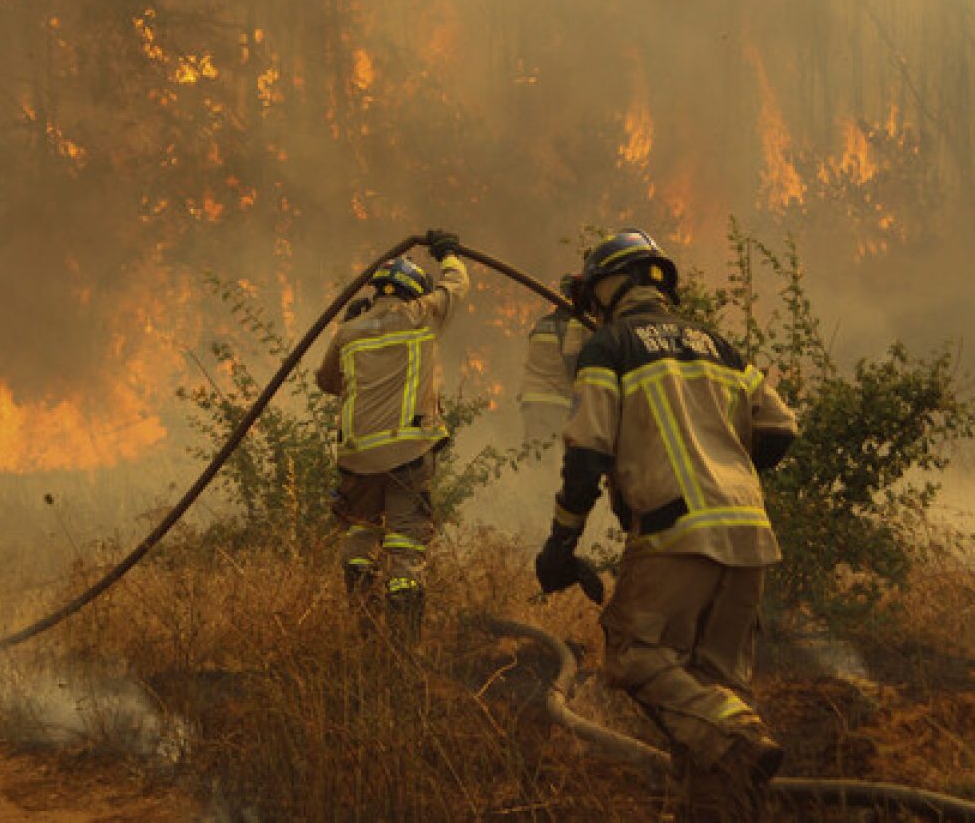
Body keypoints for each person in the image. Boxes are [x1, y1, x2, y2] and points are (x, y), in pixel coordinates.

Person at [534, 229, 798, 821]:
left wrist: (560, 543)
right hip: (748, 535)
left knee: (634, 656)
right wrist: (722, 467)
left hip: (675, 533)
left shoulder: (609, 347)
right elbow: (780, 429)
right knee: (712, 692)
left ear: (610, 285)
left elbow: (586, 456)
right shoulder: (720, 346)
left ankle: (739, 736)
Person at [316, 230, 469, 644]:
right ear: (413, 291)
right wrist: (448, 255)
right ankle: (402, 647)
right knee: (405, 544)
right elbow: (456, 286)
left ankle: (363, 630)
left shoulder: (348, 332)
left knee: (359, 534)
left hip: (357, 459)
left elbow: (327, 382)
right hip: (407, 453)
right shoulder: (421, 314)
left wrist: (352, 329)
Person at [518, 274, 590, 444]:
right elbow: (573, 363)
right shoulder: (576, 325)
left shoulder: (542, 323)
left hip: (531, 401)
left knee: (535, 452)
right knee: (552, 455)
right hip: (556, 402)